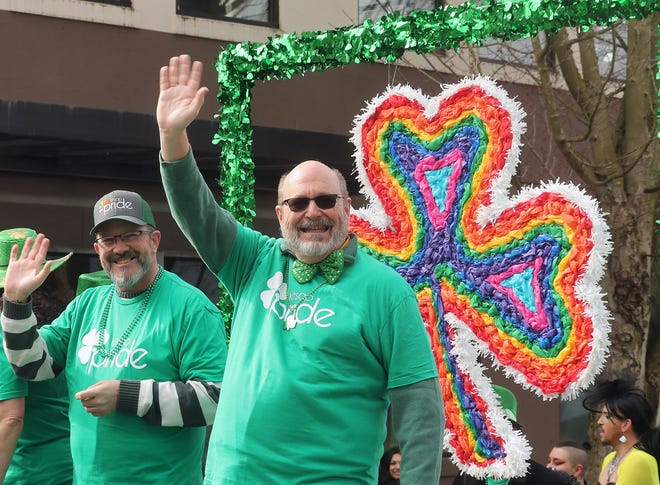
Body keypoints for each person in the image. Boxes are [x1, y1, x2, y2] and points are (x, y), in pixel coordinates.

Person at [157, 54, 445, 483]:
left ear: (347, 209)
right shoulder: (254, 260)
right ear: (279, 213)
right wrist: (172, 135)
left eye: (326, 200)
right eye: (298, 202)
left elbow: (420, 410)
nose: (313, 212)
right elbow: (196, 211)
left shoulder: (386, 291)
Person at [1, 192, 228, 484]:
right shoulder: (87, 304)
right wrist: (16, 301)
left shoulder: (191, 307)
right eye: (108, 240)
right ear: (98, 249)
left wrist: (127, 395)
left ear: (154, 240)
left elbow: (214, 399)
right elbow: (31, 365)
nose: (119, 248)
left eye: (131, 235)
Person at [0, 227, 73, 484]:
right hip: (68, 467)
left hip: (30, 473)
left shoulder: (5, 331)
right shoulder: (64, 325)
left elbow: (10, 418)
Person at [452, 385, 577, 485]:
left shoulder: (547, 479)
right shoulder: (467, 475)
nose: (489, 436)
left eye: (497, 427)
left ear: (514, 431)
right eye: (481, 428)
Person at [582, 377, 660, 485]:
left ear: (625, 424)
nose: (599, 422)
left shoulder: (639, 460)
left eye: (607, 416)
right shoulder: (609, 458)